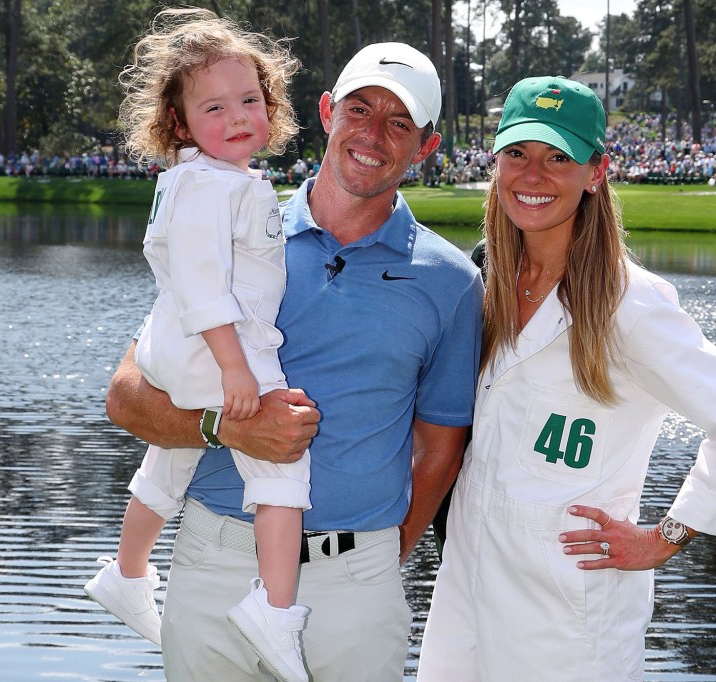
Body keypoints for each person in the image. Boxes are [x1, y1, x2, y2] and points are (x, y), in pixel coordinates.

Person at [104, 41, 483, 681]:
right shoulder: (238, 229)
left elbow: (440, 450)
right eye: (360, 110)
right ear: (328, 112)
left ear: (425, 147)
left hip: (357, 585)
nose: (373, 135)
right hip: (214, 563)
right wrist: (226, 427)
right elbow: (128, 395)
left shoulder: (450, 282)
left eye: (400, 123)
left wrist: (381, 560)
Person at [417, 76, 716, 682]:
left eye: (559, 157)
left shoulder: (630, 304)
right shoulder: (482, 283)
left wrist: (665, 537)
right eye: (517, 153)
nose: (532, 174)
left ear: (596, 172)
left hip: (569, 609)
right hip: (466, 586)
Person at [83, 10, 312, 681]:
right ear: (180, 124)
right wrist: (237, 371)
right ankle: (273, 608)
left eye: (250, 101)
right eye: (215, 107)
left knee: (174, 455)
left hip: (180, 348)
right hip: (217, 350)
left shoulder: (205, 178)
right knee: (281, 468)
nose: (239, 116)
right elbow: (205, 284)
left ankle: (126, 574)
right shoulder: (210, 185)